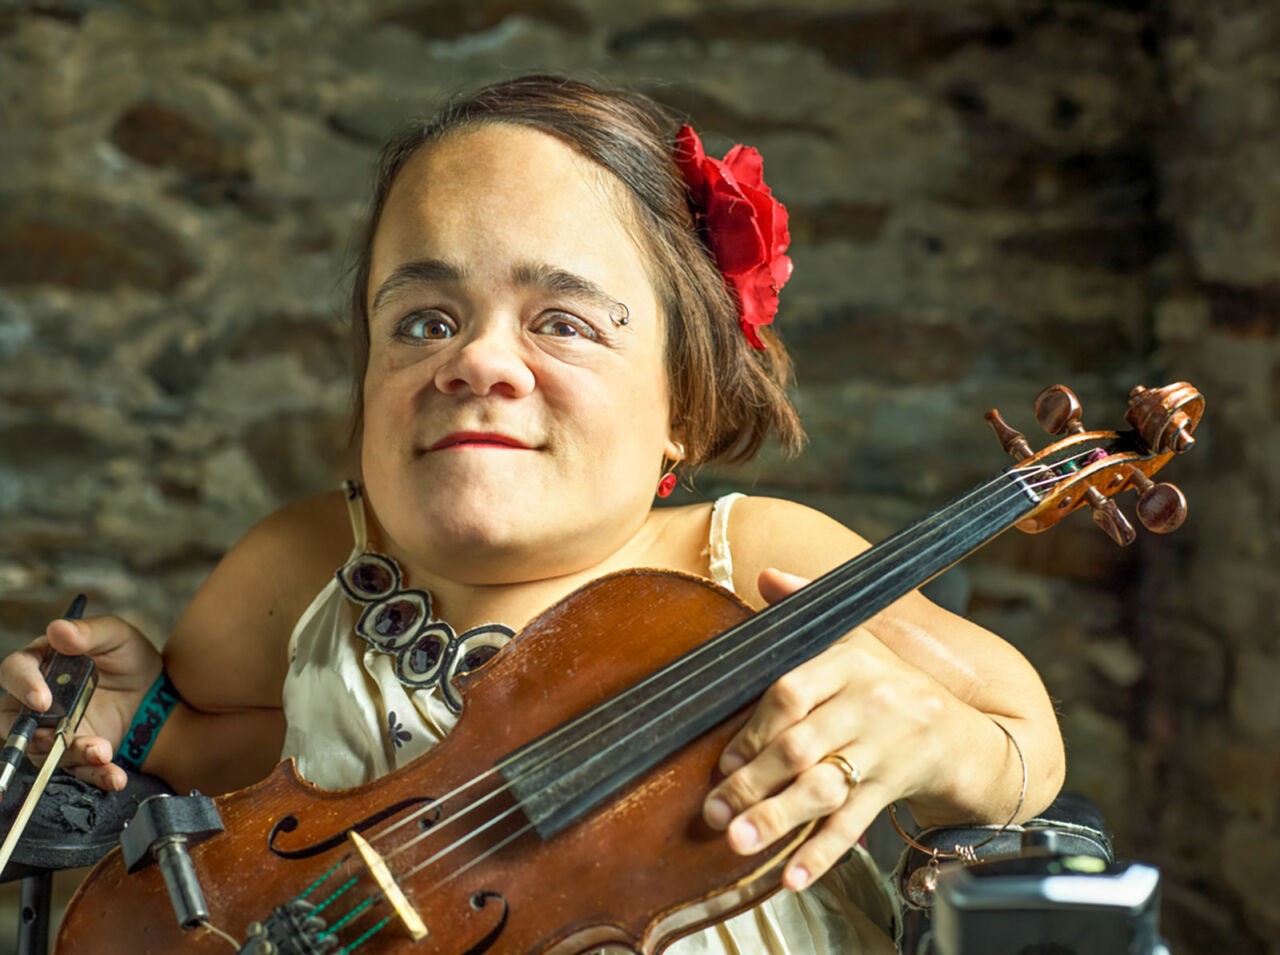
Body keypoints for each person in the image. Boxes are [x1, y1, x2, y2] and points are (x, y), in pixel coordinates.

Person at [0, 74, 1065, 953]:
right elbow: (235, 771)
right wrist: (135, 723)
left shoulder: (748, 559)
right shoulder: (307, 557)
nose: (476, 362)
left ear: (681, 406)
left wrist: (935, 743)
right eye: (421, 320)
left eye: (560, 321)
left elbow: (1021, 736)